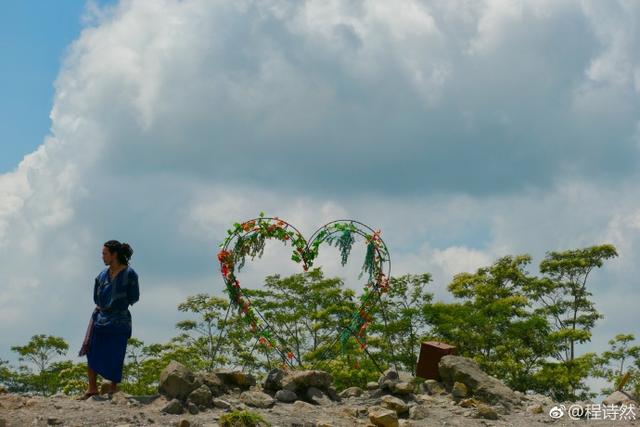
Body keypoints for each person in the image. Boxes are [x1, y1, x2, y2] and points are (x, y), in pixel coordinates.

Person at [78, 240, 139, 399]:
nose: (103, 257)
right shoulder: (101, 276)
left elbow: (134, 297)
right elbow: (95, 297)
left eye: (105, 254)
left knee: (116, 354)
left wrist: (119, 303)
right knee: (92, 351)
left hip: (120, 320)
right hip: (101, 319)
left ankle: (112, 388)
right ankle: (92, 388)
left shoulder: (129, 274)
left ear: (114, 255)